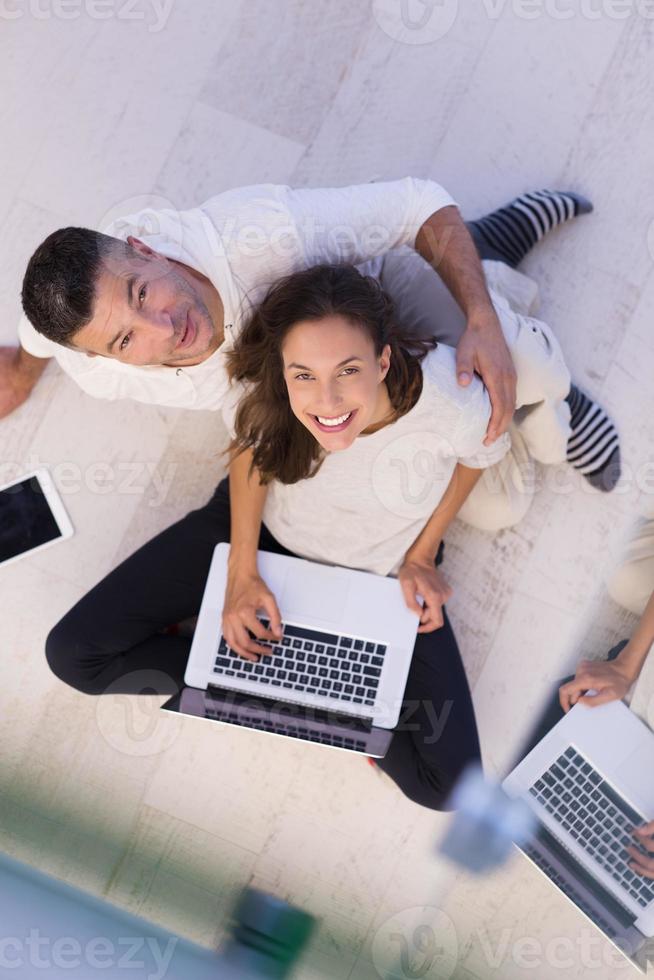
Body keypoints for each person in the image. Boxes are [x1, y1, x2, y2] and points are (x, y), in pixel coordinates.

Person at [46, 254, 593, 810]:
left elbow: (482, 452)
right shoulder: (273, 390)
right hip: (264, 535)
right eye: (303, 375)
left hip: (380, 573)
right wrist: (241, 572)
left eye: (348, 371)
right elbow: (251, 452)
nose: (327, 404)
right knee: (74, 657)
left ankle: (294, 693)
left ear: (383, 360)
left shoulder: (450, 400)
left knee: (449, 787)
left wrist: (423, 555)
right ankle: (294, 691)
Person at [5, 183, 620, 488]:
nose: (162, 330)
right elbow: (39, 336)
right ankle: (490, 250)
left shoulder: (270, 234)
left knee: (505, 354)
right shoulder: (84, 357)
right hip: (313, 382)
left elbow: (420, 204)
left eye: (143, 293)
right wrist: (20, 374)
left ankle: (548, 394)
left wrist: (482, 323)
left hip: (361, 303)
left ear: (145, 249)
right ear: (92, 356)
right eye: (123, 341)